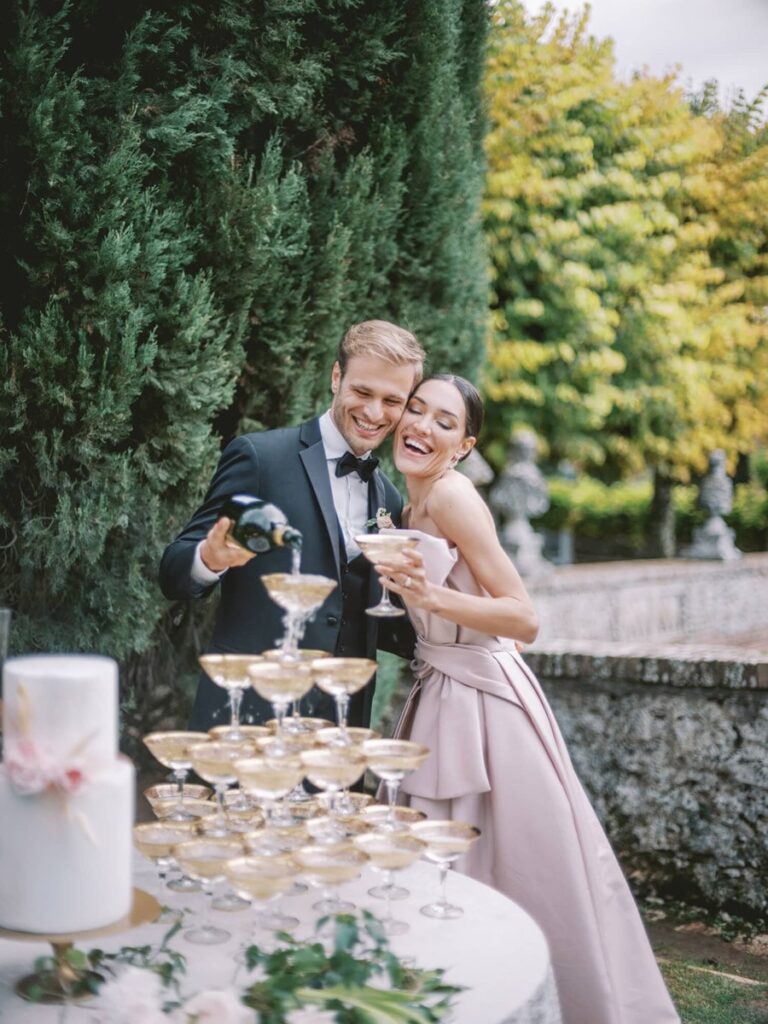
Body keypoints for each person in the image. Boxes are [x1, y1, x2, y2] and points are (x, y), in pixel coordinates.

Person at [373, 374, 680, 1024]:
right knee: (438, 859)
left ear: (464, 445)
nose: (421, 426)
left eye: (444, 421)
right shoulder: (409, 505)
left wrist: (430, 597)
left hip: (485, 704)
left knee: (516, 866)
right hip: (438, 691)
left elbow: (523, 616)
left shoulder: (453, 497)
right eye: (416, 409)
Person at [159, 320, 424, 731]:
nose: (374, 413)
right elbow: (173, 574)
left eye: (393, 400)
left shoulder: (388, 497)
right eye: (362, 391)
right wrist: (210, 557)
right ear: (336, 377)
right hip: (249, 720)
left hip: (341, 733)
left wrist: (468, 631)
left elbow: (376, 622)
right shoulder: (261, 458)